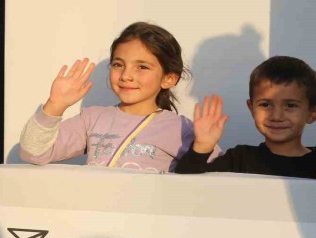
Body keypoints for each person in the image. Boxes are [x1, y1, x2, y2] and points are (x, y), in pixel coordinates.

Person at [19, 22, 219, 173]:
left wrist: (203, 146)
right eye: (118, 64)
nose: (126, 75)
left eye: (142, 67)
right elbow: (34, 153)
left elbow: (214, 178)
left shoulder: (181, 128)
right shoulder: (92, 118)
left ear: (169, 78)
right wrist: (55, 105)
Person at [175, 56, 316, 189]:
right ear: (251, 108)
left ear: (313, 112)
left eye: (290, 105)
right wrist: (202, 147)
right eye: (265, 104)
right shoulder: (239, 159)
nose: (276, 116)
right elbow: (183, 188)